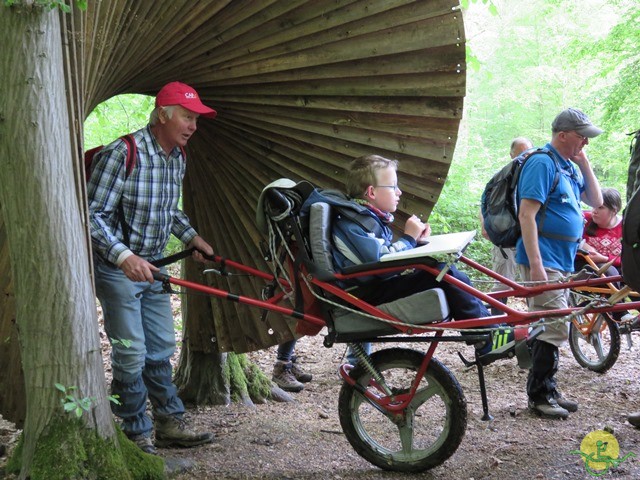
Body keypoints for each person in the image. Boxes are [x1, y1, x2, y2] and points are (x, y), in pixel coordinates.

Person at [88, 82, 217, 454]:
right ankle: (134, 432)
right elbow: (92, 215)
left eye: (196, 119)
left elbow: (168, 210)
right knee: (131, 351)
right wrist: (124, 257)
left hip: (156, 268)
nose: (193, 125)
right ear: (163, 115)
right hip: (118, 269)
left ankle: (169, 423)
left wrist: (193, 238)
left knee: (160, 347)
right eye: (187, 116)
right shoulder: (122, 153)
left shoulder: (177, 156)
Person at [329, 154, 513, 365]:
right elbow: (381, 264)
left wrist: (415, 242)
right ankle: (487, 339)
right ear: (371, 192)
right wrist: (408, 238)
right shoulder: (352, 223)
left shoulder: (364, 217)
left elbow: (382, 258)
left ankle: (490, 332)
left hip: (371, 286)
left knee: (445, 269)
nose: (399, 192)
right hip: (361, 296)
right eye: (393, 186)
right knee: (440, 273)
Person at [516, 108, 603, 419]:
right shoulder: (541, 162)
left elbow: (596, 202)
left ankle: (547, 388)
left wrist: (584, 161)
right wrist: (537, 266)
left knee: (552, 325)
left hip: (561, 260)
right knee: (552, 326)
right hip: (544, 259)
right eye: (582, 137)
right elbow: (526, 215)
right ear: (562, 135)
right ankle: (539, 395)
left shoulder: (568, 167)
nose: (585, 143)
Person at [481, 137, 534, 314]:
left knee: (533, 281)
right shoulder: (502, 176)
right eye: (520, 153)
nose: (524, 156)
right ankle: (498, 324)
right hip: (505, 236)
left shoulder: (534, 176)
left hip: (527, 235)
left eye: (528, 152)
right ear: (511, 154)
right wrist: (486, 226)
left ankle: (533, 322)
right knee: (503, 281)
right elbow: (487, 202)